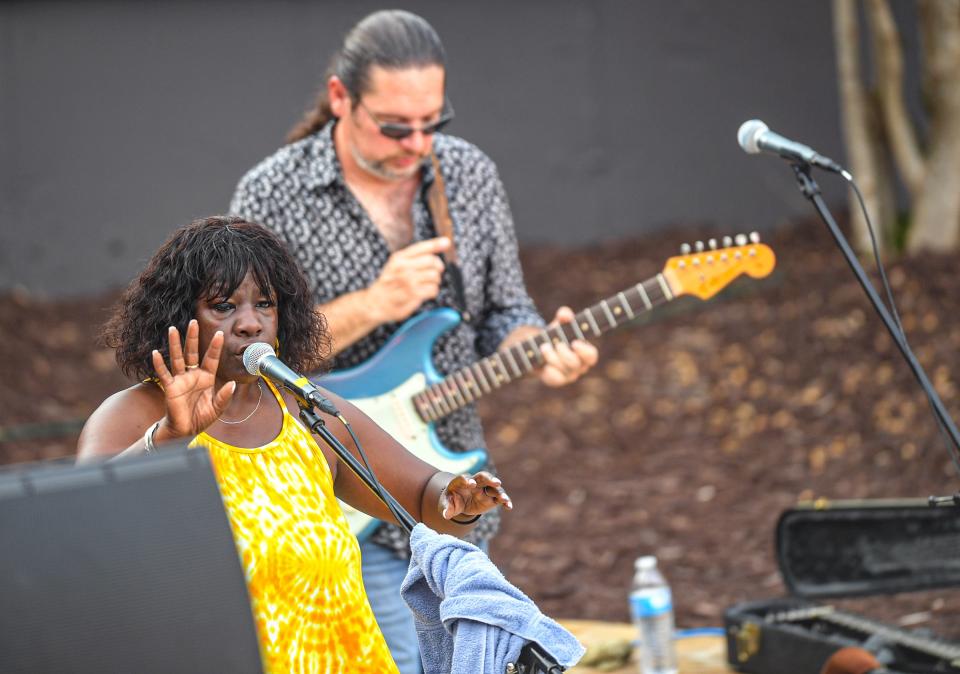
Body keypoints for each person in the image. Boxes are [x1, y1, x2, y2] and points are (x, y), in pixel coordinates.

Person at [229, 9, 599, 673]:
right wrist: (375, 304)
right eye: (397, 126)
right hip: (336, 490)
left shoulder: (469, 175)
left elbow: (505, 305)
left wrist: (538, 343)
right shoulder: (273, 194)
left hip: (452, 491)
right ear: (341, 99)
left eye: (434, 122)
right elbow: (246, 357)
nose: (418, 142)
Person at [76, 216, 513, 674]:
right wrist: (167, 439)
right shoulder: (133, 415)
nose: (250, 324)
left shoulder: (306, 410)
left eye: (264, 303)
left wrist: (459, 498)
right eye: (224, 306)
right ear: (177, 317)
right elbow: (85, 529)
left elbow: (425, 497)